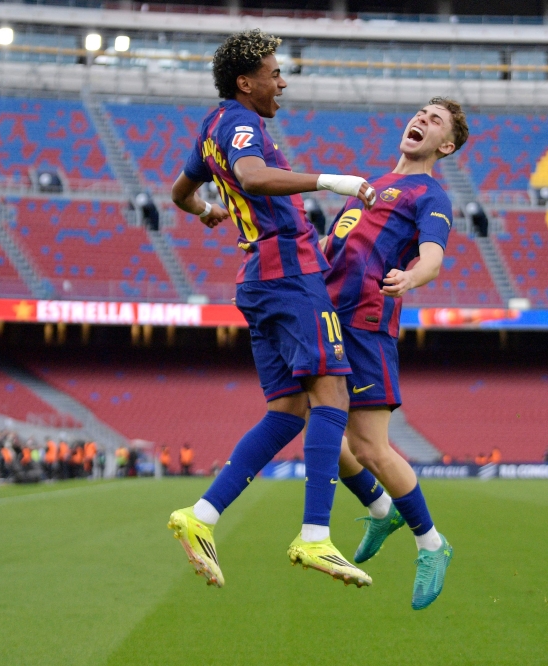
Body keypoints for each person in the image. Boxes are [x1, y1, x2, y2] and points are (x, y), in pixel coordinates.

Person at [166, 29, 378, 589]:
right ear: (246, 81)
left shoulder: (209, 128)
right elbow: (254, 177)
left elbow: (178, 194)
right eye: (274, 72)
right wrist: (335, 181)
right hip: (288, 272)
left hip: (257, 278)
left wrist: (208, 210)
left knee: (287, 409)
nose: (282, 82)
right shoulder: (241, 124)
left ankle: (201, 516)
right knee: (330, 392)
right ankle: (315, 537)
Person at [325, 98, 468, 610]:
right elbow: (332, 247)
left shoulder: (431, 195)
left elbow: (433, 256)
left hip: (365, 326)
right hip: (327, 319)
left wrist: (411, 276)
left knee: (370, 449)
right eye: (420, 114)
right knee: (308, 423)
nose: (421, 121)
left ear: (445, 145)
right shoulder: (369, 186)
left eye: (435, 121)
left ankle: (431, 542)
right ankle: (381, 509)